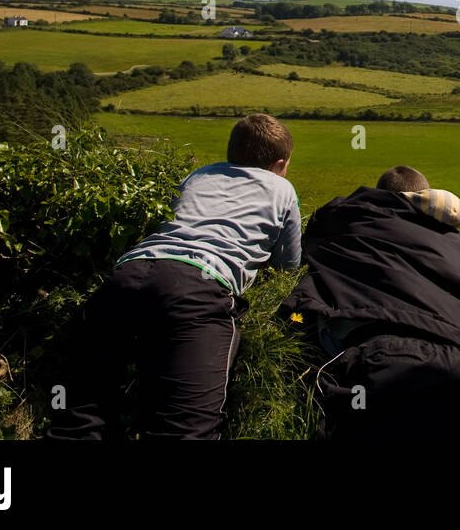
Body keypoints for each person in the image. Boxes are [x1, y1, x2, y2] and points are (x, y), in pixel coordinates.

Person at [46, 113, 301, 439]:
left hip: (128, 275)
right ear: (280, 163)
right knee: (183, 430)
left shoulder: (199, 175)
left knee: (79, 418)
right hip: (198, 288)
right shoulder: (282, 188)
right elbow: (288, 267)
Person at [279, 165, 460, 439]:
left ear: (379, 194)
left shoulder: (347, 219)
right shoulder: (458, 245)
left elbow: (310, 239)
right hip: (454, 366)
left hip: (371, 354)